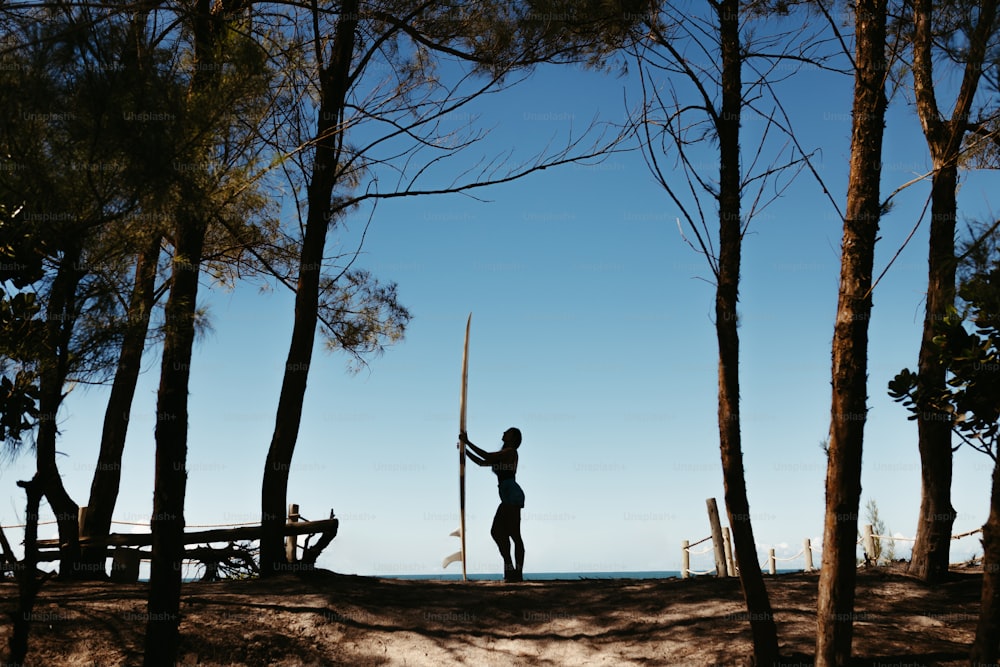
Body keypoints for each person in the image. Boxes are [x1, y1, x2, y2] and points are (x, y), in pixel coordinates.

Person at [459, 428, 525, 582]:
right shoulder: (504, 453)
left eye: (507, 432)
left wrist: (467, 442)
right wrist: (464, 450)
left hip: (512, 494)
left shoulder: (511, 452)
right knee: (503, 533)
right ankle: (511, 571)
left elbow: (486, 456)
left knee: (510, 534)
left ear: (513, 438)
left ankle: (515, 573)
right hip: (508, 495)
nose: (503, 432)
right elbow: (482, 462)